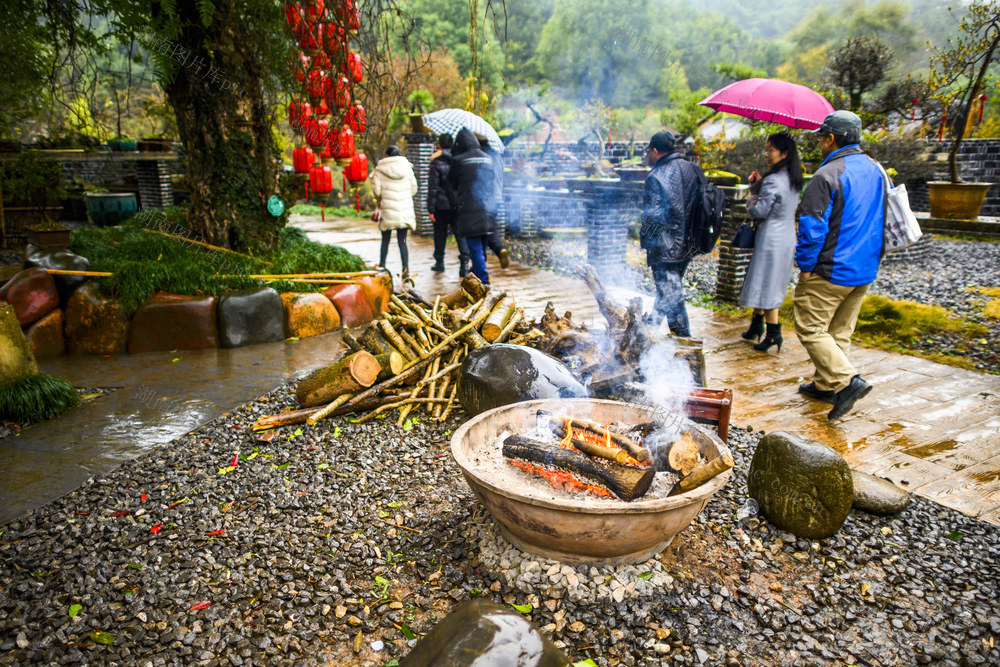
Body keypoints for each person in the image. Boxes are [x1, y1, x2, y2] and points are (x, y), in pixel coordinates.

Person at [794, 110, 886, 420]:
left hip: (832, 269)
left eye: (821, 137)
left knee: (810, 327)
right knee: (839, 331)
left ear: (831, 138)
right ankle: (825, 385)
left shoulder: (827, 175)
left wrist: (805, 265)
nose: (820, 143)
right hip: (865, 268)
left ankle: (847, 383)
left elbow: (811, 226)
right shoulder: (876, 169)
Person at [738, 132, 803, 352]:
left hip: (771, 237)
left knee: (767, 283)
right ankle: (757, 325)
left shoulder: (774, 180)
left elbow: (760, 210)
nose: (766, 154)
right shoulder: (793, 178)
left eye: (771, 150)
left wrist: (751, 197)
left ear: (784, 153)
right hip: (786, 236)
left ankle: (774, 333)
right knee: (766, 280)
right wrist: (758, 186)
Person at [638, 130, 704, 337]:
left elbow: (653, 217)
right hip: (688, 244)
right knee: (668, 291)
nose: (649, 155)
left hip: (665, 248)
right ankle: (648, 331)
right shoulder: (692, 169)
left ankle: (685, 344)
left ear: (655, 151)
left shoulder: (656, 176)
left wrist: (645, 239)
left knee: (672, 296)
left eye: (649, 151)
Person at [447, 128, 497, 284]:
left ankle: (483, 279)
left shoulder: (459, 160)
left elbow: (450, 184)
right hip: (486, 208)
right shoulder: (488, 159)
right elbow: (492, 182)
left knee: (474, 245)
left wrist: (456, 202)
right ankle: (475, 274)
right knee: (481, 243)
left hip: (468, 208)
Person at [371, 145, 418, 278]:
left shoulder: (380, 169)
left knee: (385, 239)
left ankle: (382, 265)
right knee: (402, 241)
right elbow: (414, 190)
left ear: (387, 156)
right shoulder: (407, 168)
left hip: (388, 209)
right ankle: (405, 270)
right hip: (404, 210)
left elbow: (377, 191)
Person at [427, 133, 470, 274]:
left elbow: (433, 187)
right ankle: (464, 264)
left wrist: (431, 208)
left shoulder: (436, 162)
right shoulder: (459, 160)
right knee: (459, 233)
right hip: (457, 204)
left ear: (439, 145)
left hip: (441, 205)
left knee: (440, 234)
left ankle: (439, 262)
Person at [478, 137, 511, 270]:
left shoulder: (483, 159)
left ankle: (483, 260)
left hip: (486, 199)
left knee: (482, 230)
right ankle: (499, 250)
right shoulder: (498, 156)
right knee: (489, 228)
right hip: (498, 198)